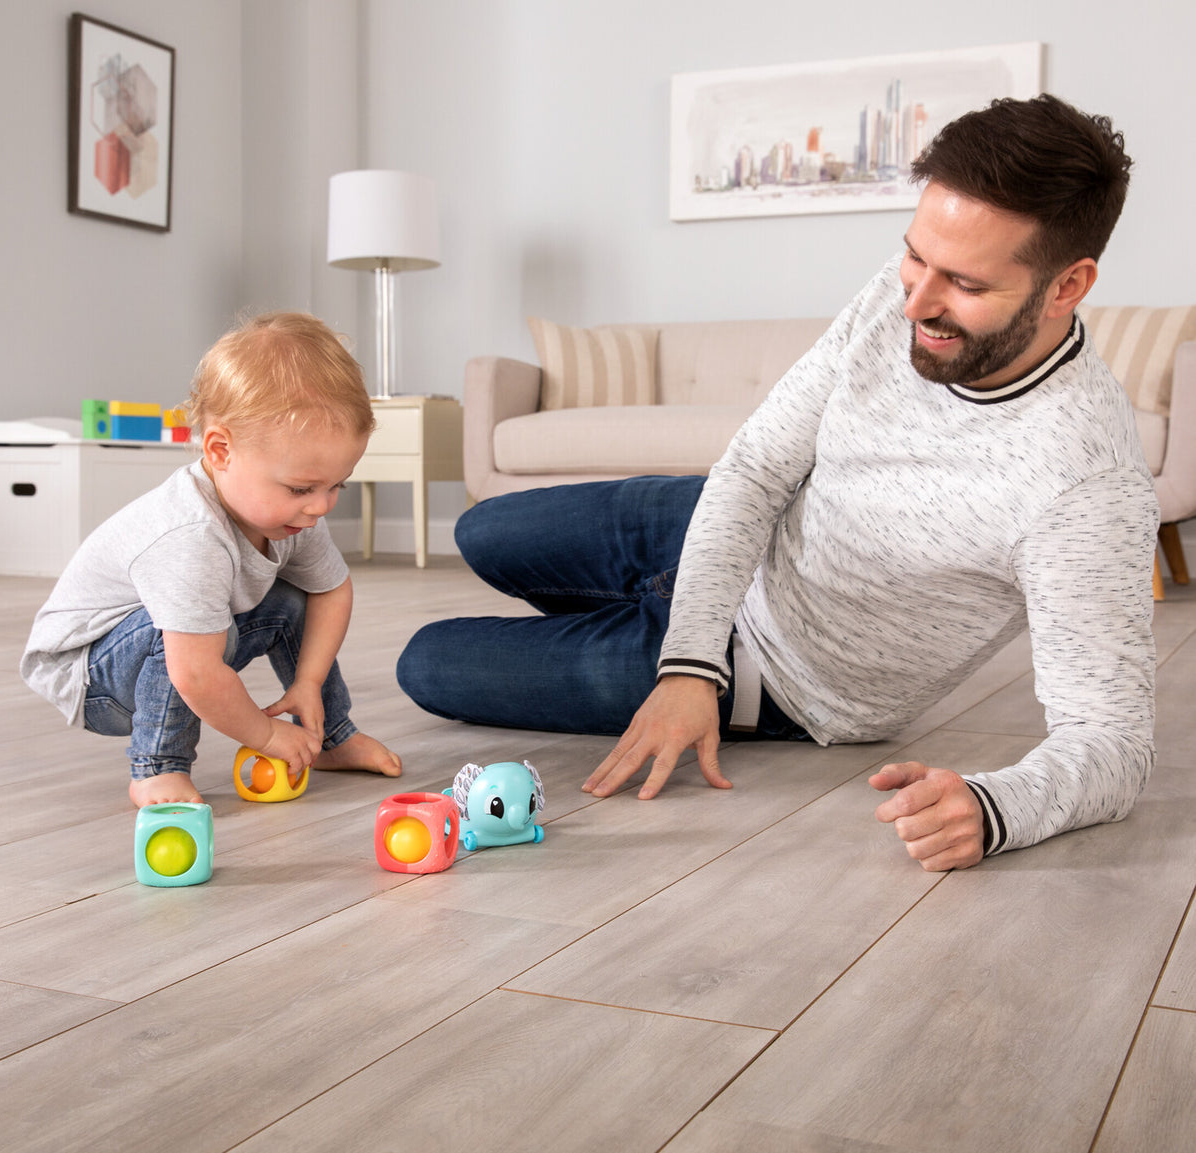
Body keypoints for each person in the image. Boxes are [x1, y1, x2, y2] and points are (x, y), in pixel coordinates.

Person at [396, 94, 1157, 871]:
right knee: (480, 531)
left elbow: (1113, 741)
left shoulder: (1085, 483)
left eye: (963, 282)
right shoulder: (900, 296)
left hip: (782, 675)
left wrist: (998, 809)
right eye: (915, 256)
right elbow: (757, 466)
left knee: (425, 663)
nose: (916, 301)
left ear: (1068, 285)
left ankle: (635, 625)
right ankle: (645, 617)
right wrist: (688, 659)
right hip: (718, 526)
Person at [22, 312, 402, 807]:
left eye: (337, 485)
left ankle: (330, 737)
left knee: (289, 600)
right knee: (184, 631)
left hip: (183, 650)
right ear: (221, 450)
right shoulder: (190, 536)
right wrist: (267, 737)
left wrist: (308, 682)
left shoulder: (293, 514)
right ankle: (157, 767)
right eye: (302, 488)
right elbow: (196, 672)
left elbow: (331, 589)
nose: (322, 505)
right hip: (91, 677)